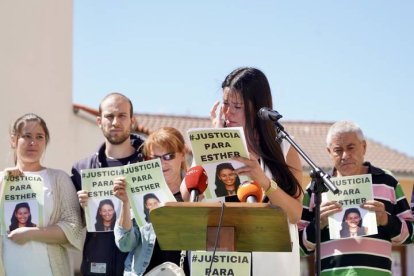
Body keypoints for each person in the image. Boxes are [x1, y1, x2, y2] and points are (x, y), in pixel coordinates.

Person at [180, 67, 304, 275]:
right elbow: (186, 198)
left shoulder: (283, 148)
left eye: (237, 106)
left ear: (257, 107)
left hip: (270, 265)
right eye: (225, 104)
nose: (228, 113)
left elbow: (294, 214)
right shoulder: (212, 141)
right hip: (217, 263)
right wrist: (212, 140)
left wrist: (264, 182)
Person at [299, 121, 414, 275]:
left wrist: (386, 220)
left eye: (351, 148)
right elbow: (299, 248)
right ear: (329, 152)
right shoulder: (316, 188)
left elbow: (411, 235)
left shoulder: (387, 181)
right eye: (338, 150)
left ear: (364, 147)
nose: (345, 155)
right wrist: (317, 225)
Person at [0, 113, 83, 276]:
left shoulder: (59, 179)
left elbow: (73, 227)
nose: (33, 142)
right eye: (27, 136)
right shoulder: (2, 180)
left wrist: (31, 233)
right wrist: (3, 183)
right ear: (13, 140)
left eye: (39, 137)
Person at [71, 93, 145, 276]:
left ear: (132, 121)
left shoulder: (150, 165)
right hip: (95, 268)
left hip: (140, 269)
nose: (115, 122)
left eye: (122, 116)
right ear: (99, 121)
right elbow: (72, 225)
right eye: (109, 116)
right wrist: (81, 209)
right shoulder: (81, 169)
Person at [114, 126, 190, 276]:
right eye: (155, 158)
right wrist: (125, 203)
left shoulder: (195, 194)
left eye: (168, 156)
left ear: (182, 155)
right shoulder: (138, 193)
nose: (162, 163)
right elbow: (125, 243)